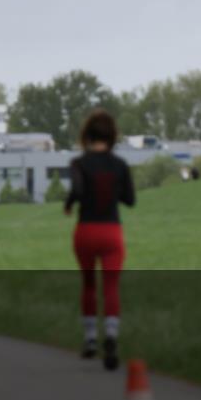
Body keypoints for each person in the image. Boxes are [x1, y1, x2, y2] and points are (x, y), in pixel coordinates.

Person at [63, 109, 136, 370]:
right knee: (111, 286)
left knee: (88, 284)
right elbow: (130, 200)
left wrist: (69, 204)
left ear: (87, 135)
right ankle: (112, 335)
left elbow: (78, 189)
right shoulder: (120, 165)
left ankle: (91, 338)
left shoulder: (79, 163)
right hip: (111, 231)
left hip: (85, 230)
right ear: (112, 136)